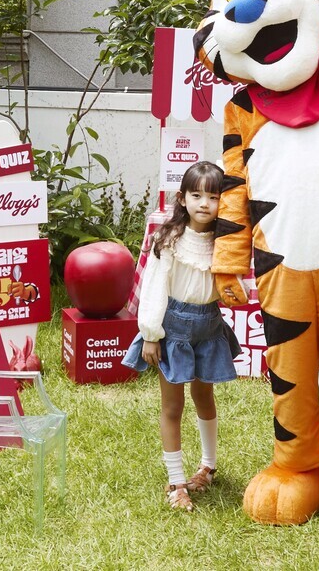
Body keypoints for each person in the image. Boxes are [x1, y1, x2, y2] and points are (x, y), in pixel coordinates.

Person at [122, 161, 241, 511]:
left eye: (214, 196)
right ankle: (176, 483)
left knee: (204, 397)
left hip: (209, 327)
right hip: (172, 329)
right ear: (183, 198)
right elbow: (155, 288)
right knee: (173, 405)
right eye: (197, 195)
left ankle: (207, 467)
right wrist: (151, 335)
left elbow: (231, 283)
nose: (205, 203)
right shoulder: (170, 239)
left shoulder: (226, 241)